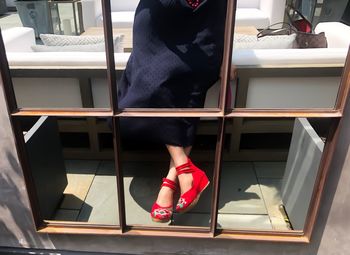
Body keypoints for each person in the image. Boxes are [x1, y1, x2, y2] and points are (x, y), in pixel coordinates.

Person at [117, 0, 227, 222]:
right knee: (146, 86)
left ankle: (172, 179)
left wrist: (228, 54)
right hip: (158, 19)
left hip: (206, 19)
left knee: (189, 89)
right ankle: (186, 171)